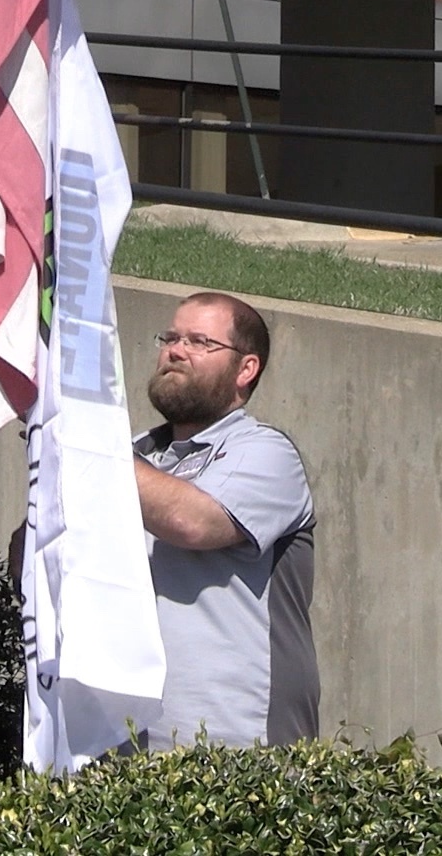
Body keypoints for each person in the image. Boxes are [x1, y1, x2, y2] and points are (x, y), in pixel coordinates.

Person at [133, 291, 318, 748]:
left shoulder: (267, 454)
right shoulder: (135, 454)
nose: (175, 350)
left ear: (246, 368)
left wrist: (89, 447)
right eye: (171, 337)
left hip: (236, 755)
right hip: (118, 746)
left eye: (199, 342)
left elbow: (192, 522)